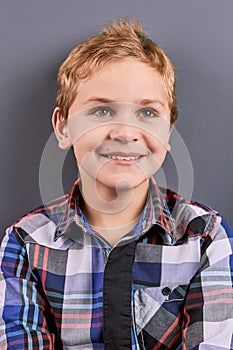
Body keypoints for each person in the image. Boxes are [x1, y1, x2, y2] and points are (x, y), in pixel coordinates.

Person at [0, 18, 232, 350]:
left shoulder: (204, 236)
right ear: (64, 128)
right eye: (102, 111)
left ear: (168, 132)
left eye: (148, 113)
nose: (125, 132)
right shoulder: (25, 242)